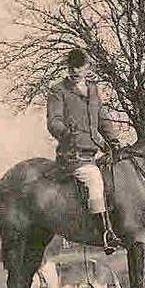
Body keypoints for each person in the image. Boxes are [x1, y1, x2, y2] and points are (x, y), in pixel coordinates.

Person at [46, 49, 122, 254]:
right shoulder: (58, 91)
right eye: (72, 67)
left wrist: (113, 140)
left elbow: (102, 118)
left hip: (93, 152)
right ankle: (105, 233)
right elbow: (53, 121)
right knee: (94, 180)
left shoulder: (93, 90)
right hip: (73, 155)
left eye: (79, 67)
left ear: (87, 68)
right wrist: (65, 132)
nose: (75, 71)